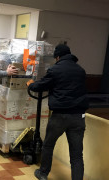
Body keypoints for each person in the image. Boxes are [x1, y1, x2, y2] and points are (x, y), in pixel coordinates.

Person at [27, 44, 89, 180]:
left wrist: (30, 84)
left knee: (48, 145)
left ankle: (43, 173)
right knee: (77, 155)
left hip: (60, 116)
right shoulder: (81, 70)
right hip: (79, 116)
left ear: (58, 57)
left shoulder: (55, 69)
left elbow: (40, 86)